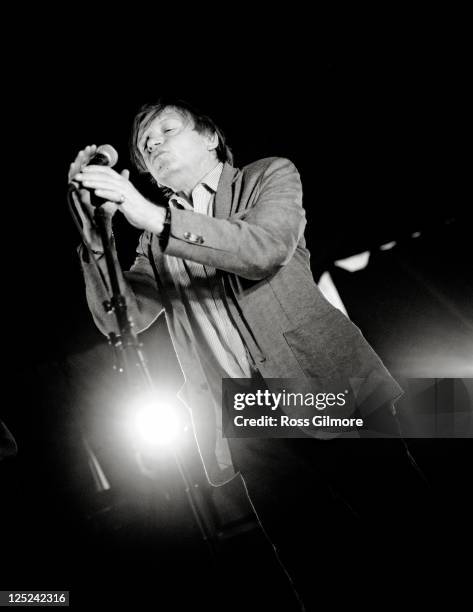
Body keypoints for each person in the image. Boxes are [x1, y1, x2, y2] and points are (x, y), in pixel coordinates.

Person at [70, 98, 425, 609]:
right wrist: (92, 232)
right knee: (319, 570)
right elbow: (116, 317)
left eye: (166, 131)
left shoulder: (266, 176)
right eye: (146, 147)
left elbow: (264, 250)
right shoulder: (152, 242)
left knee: (405, 530)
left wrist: (146, 214)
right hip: (247, 413)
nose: (154, 147)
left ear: (210, 136)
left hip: (322, 386)